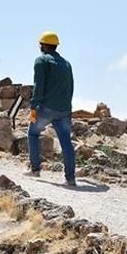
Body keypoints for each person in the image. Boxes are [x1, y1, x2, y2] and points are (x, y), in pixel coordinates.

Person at [24, 31, 76, 186]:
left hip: (46, 109)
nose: (40, 46)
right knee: (66, 142)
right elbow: (71, 87)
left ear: (45, 45)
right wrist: (68, 108)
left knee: (32, 133)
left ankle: (35, 169)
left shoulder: (41, 61)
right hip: (64, 110)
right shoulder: (67, 64)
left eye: (41, 44)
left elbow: (38, 85)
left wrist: (33, 106)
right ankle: (70, 178)